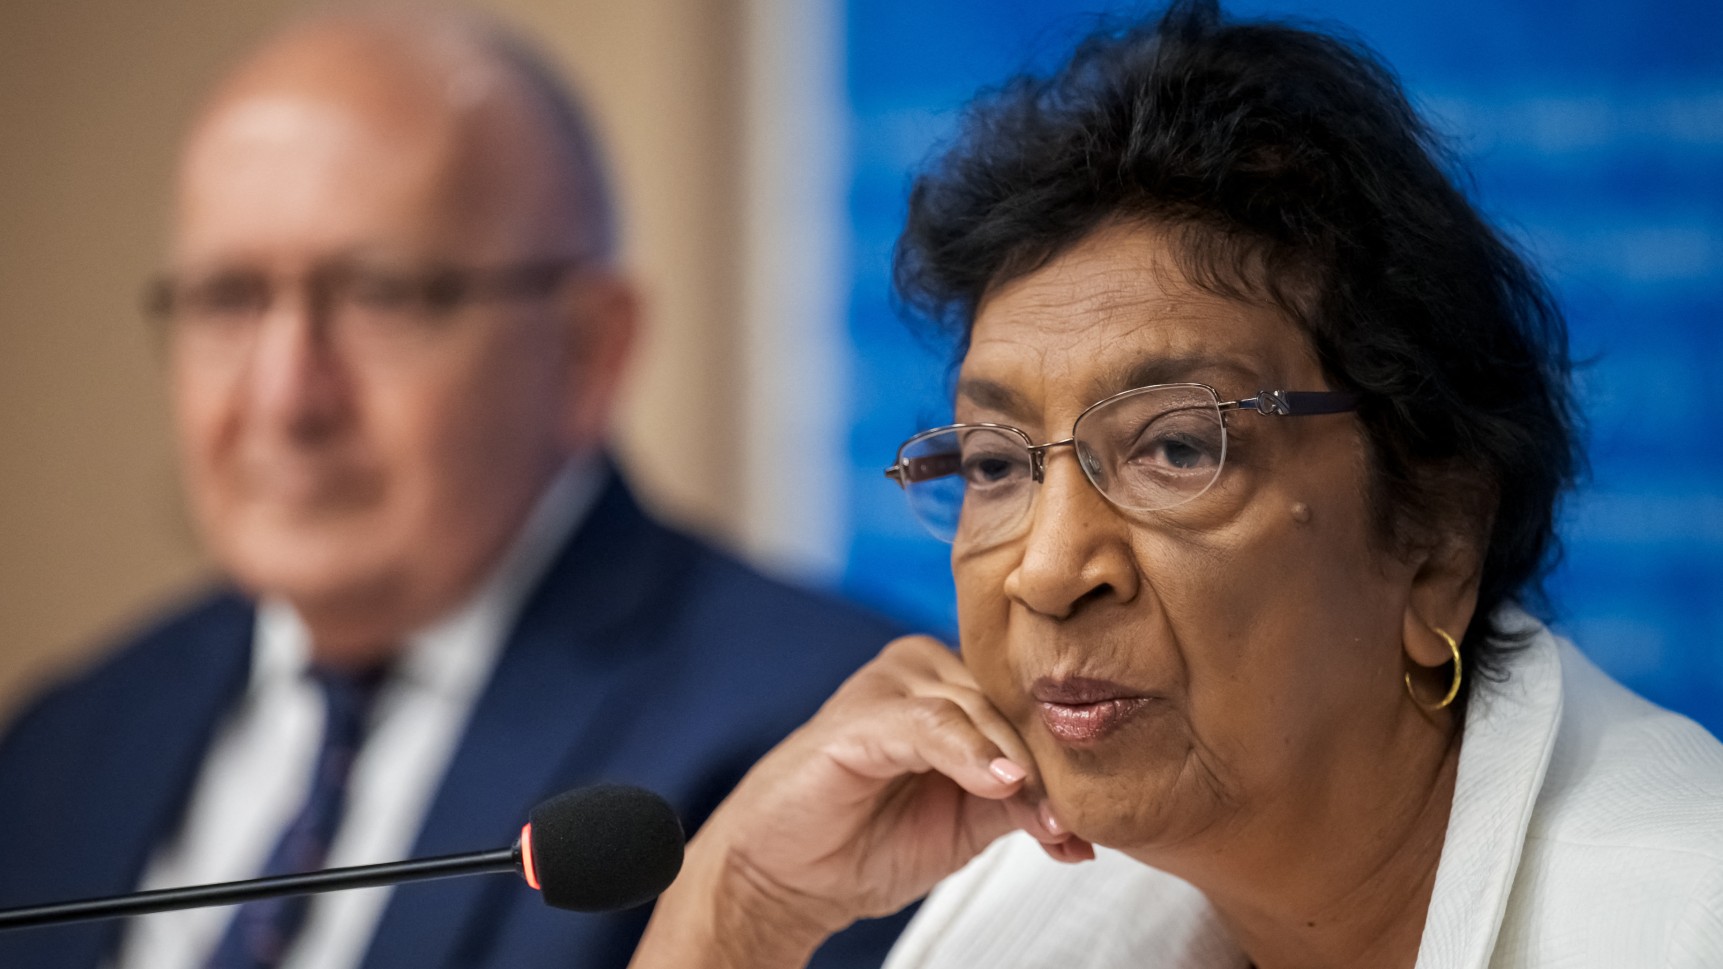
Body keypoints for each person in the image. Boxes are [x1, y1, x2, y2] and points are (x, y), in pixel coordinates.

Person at [625, 3, 1723, 967]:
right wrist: (744, 911)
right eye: (998, 463)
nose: (1051, 571)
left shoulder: (1682, 918)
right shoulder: (1030, 903)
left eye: (1175, 449)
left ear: (1435, 536)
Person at [0, 11, 911, 969]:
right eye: (229, 299)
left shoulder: (818, 748)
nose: (284, 396)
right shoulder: (67, 744)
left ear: (590, 349)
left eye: (380, 296)